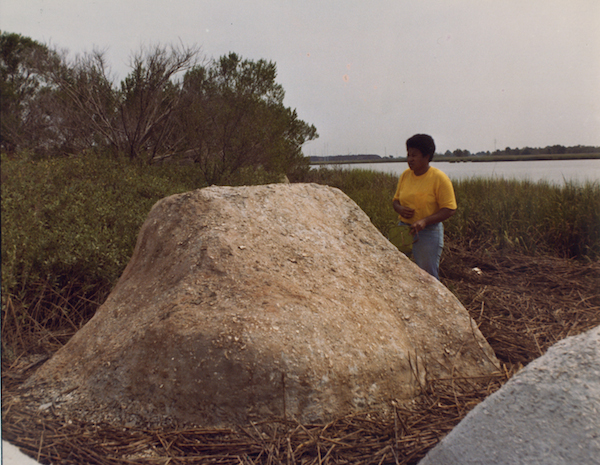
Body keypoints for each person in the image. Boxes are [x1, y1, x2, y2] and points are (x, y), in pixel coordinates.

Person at [392, 134, 456, 280]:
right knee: (393, 269)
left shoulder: (439, 178)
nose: (410, 159)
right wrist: (399, 209)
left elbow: (450, 209)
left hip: (428, 233)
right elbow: (395, 201)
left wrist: (424, 221)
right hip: (403, 229)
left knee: (428, 277)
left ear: (427, 156)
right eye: (408, 155)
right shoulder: (405, 176)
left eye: (414, 155)